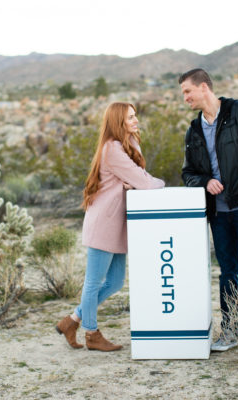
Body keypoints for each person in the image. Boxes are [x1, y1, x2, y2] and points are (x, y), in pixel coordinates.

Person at [179, 68, 238, 352]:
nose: (185, 98)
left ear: (204, 87)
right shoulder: (194, 129)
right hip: (219, 216)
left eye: (187, 91)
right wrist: (205, 181)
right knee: (228, 274)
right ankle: (231, 331)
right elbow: (188, 173)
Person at [56, 102, 165, 351]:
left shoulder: (126, 145)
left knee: (115, 282)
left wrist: (135, 182)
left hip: (116, 226)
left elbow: (134, 180)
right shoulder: (113, 149)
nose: (136, 120)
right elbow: (143, 182)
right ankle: (91, 334)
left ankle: (72, 321)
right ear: (118, 122)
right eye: (130, 117)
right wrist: (158, 183)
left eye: (136, 115)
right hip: (104, 224)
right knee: (93, 282)